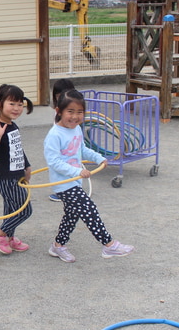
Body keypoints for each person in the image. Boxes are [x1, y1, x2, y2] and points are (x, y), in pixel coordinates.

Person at [44, 89, 135, 263]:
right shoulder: (54, 135)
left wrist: (99, 158)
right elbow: (54, 162)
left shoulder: (76, 129)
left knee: (71, 216)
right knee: (88, 209)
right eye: (70, 111)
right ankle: (109, 245)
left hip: (75, 182)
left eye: (79, 112)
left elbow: (82, 149)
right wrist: (77, 171)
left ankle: (58, 246)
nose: (75, 116)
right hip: (63, 183)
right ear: (59, 111)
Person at [0, 84, 34, 254]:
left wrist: (26, 166)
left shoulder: (12, 126)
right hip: (6, 177)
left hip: (17, 175)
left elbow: (17, 148)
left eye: (20, 104)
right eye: (12, 103)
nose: (17, 108)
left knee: (11, 209)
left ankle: (9, 238)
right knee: (25, 210)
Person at [49, 78, 76, 202]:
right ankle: (62, 191)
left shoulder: (73, 114)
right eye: (59, 96)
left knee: (71, 165)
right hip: (61, 147)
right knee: (60, 167)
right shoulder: (58, 112)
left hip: (70, 146)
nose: (62, 99)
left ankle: (71, 190)